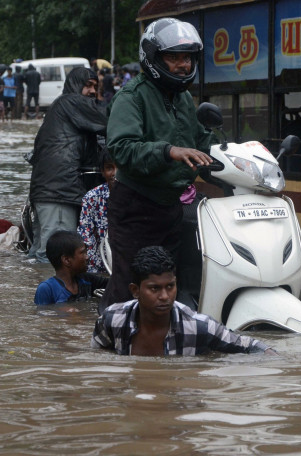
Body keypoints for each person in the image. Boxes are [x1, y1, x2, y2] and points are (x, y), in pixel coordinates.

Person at [100, 17, 214, 312]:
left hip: (171, 207)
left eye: (187, 58)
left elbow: (201, 142)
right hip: (135, 207)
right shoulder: (132, 97)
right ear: (153, 58)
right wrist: (168, 151)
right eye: (174, 58)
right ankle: (109, 343)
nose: (183, 65)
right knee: (132, 285)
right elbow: (122, 149)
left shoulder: (184, 98)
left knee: (165, 284)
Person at [92, 246, 274, 356]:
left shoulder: (199, 326)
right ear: (135, 290)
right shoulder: (112, 319)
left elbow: (254, 347)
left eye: (170, 286)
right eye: (154, 288)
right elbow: (97, 360)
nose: (164, 296)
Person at [27, 66, 106, 263]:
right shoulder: (70, 102)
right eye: (88, 86)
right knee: (58, 258)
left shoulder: (63, 108)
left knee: (42, 255)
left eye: (95, 87)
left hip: (51, 191)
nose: (93, 91)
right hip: (59, 192)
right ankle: (56, 294)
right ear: (75, 85)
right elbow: (110, 123)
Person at [34, 230, 109, 305]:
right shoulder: (47, 289)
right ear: (66, 260)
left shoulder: (87, 280)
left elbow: (114, 283)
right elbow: (42, 314)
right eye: (82, 253)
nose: (87, 257)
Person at [77, 149, 116, 273]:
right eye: (110, 168)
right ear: (102, 172)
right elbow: (86, 235)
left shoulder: (138, 196)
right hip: (102, 263)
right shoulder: (92, 197)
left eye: (120, 168)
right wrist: (95, 270)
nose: (115, 173)